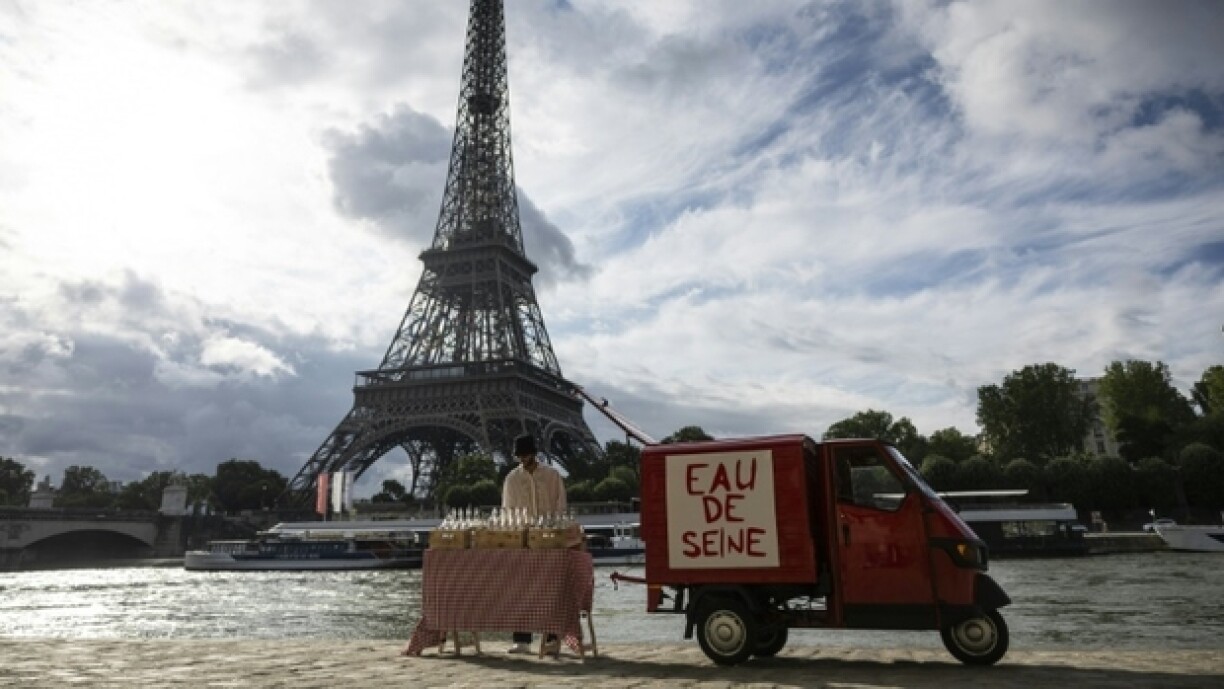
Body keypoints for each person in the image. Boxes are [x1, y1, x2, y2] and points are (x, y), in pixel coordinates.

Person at [502, 432, 567, 654]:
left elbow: (560, 505)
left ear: (534, 454)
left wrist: (554, 528)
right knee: (520, 590)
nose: (522, 459)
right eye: (519, 456)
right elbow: (507, 509)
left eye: (525, 455)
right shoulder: (511, 479)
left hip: (547, 538)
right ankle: (522, 639)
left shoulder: (552, 475)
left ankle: (551, 638)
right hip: (522, 539)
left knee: (550, 590)